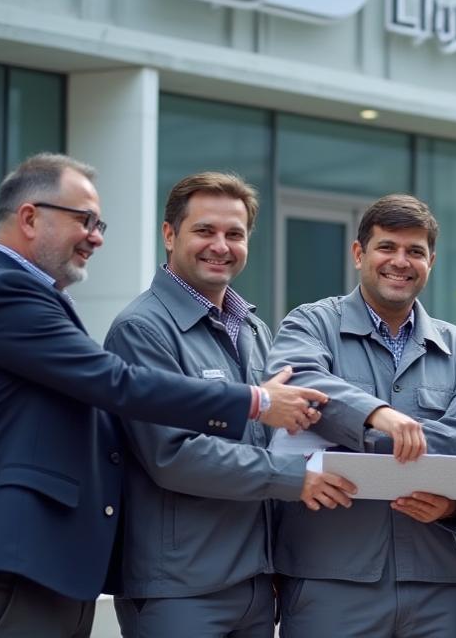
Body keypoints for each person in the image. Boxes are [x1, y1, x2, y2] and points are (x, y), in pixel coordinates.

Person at [0, 153, 327, 638]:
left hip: (44, 562)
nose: (96, 237)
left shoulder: (36, 296)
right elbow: (117, 383)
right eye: (85, 221)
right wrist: (254, 402)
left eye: (99, 224)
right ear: (29, 217)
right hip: (6, 559)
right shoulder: (4, 292)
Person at [104, 172, 357, 637]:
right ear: (169, 234)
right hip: (179, 588)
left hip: (255, 582)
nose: (220, 246)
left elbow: (267, 440)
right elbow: (172, 455)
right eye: (205, 230)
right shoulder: (142, 330)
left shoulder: (255, 330)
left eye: (234, 234)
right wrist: (295, 478)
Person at [268, 194, 456, 637]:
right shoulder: (311, 324)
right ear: (358, 253)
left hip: (438, 580)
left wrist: (455, 506)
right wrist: (378, 416)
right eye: (386, 247)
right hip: (330, 580)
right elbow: (297, 384)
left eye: (415, 251)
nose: (400, 262)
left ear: (431, 262)